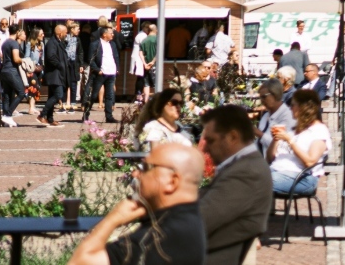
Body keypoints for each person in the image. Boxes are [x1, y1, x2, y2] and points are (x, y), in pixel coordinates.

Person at [65, 141, 207, 265]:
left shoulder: (155, 239)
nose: (135, 174)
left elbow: (79, 262)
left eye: (145, 168)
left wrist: (114, 218)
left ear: (172, 181)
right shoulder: (195, 219)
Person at [198, 103, 274, 265]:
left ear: (233, 137)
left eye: (211, 140)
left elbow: (200, 220)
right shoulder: (240, 166)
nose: (206, 149)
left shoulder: (247, 172)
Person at [267, 88, 330, 195]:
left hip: (302, 178)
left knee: (258, 182)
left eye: (292, 105)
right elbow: (269, 158)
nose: (290, 108)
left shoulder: (319, 131)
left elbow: (310, 162)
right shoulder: (293, 130)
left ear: (303, 107)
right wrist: (275, 139)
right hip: (276, 171)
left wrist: (290, 141)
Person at [39, 21, 72, 126]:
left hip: (58, 74)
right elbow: (51, 57)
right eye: (65, 32)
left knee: (52, 96)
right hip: (54, 74)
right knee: (58, 94)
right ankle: (42, 114)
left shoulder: (58, 42)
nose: (66, 34)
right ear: (60, 33)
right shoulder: (52, 43)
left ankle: (50, 118)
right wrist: (60, 65)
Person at [83, 26, 118, 124]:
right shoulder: (95, 44)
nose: (113, 34)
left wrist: (117, 68)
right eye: (111, 33)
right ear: (104, 34)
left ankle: (109, 116)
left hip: (111, 72)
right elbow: (90, 59)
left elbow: (115, 56)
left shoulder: (113, 44)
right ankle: (86, 113)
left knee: (110, 95)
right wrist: (97, 70)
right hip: (100, 73)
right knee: (94, 95)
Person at [0, 19, 26, 127]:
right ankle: (8, 115)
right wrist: (24, 60)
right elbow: (16, 58)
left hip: (4, 70)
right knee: (21, 92)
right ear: (17, 32)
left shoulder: (5, 43)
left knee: (7, 95)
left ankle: (6, 118)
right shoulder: (14, 43)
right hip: (11, 70)